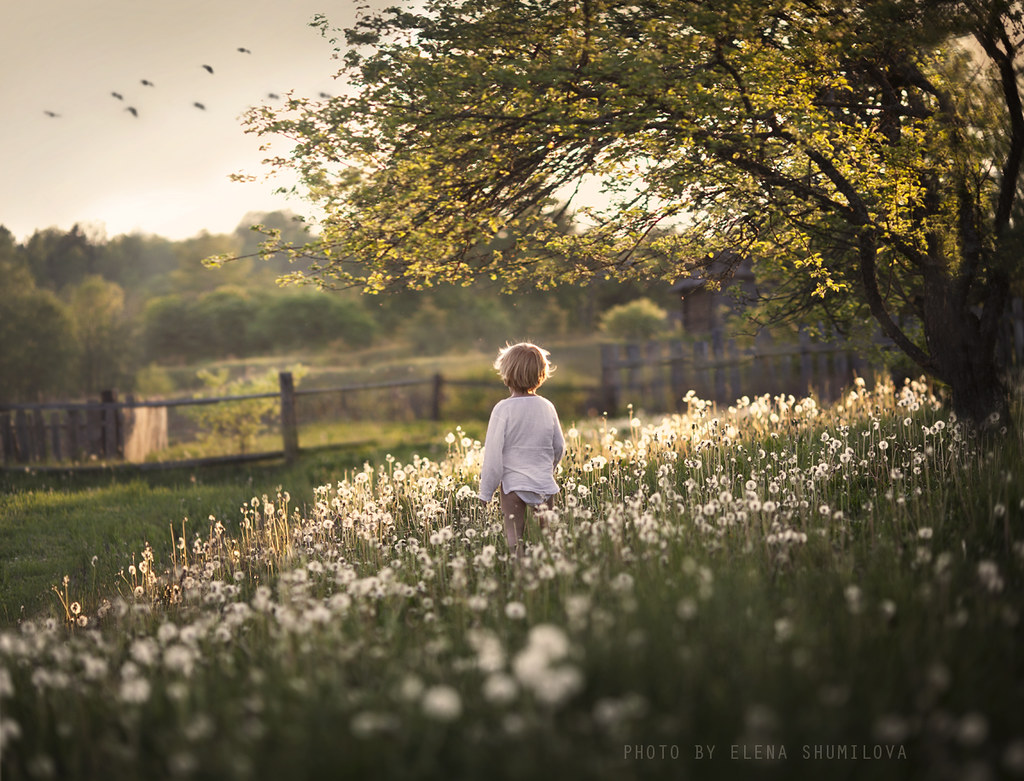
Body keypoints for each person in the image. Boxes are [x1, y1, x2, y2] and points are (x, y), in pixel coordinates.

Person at [479, 341, 565, 557]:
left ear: (506, 372)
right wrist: (547, 468)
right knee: (549, 539)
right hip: (544, 483)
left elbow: (492, 457)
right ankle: (550, 574)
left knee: (514, 539)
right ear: (541, 373)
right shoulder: (547, 406)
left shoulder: (502, 409)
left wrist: (485, 493)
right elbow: (559, 446)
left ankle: (520, 574)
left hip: (513, 487)